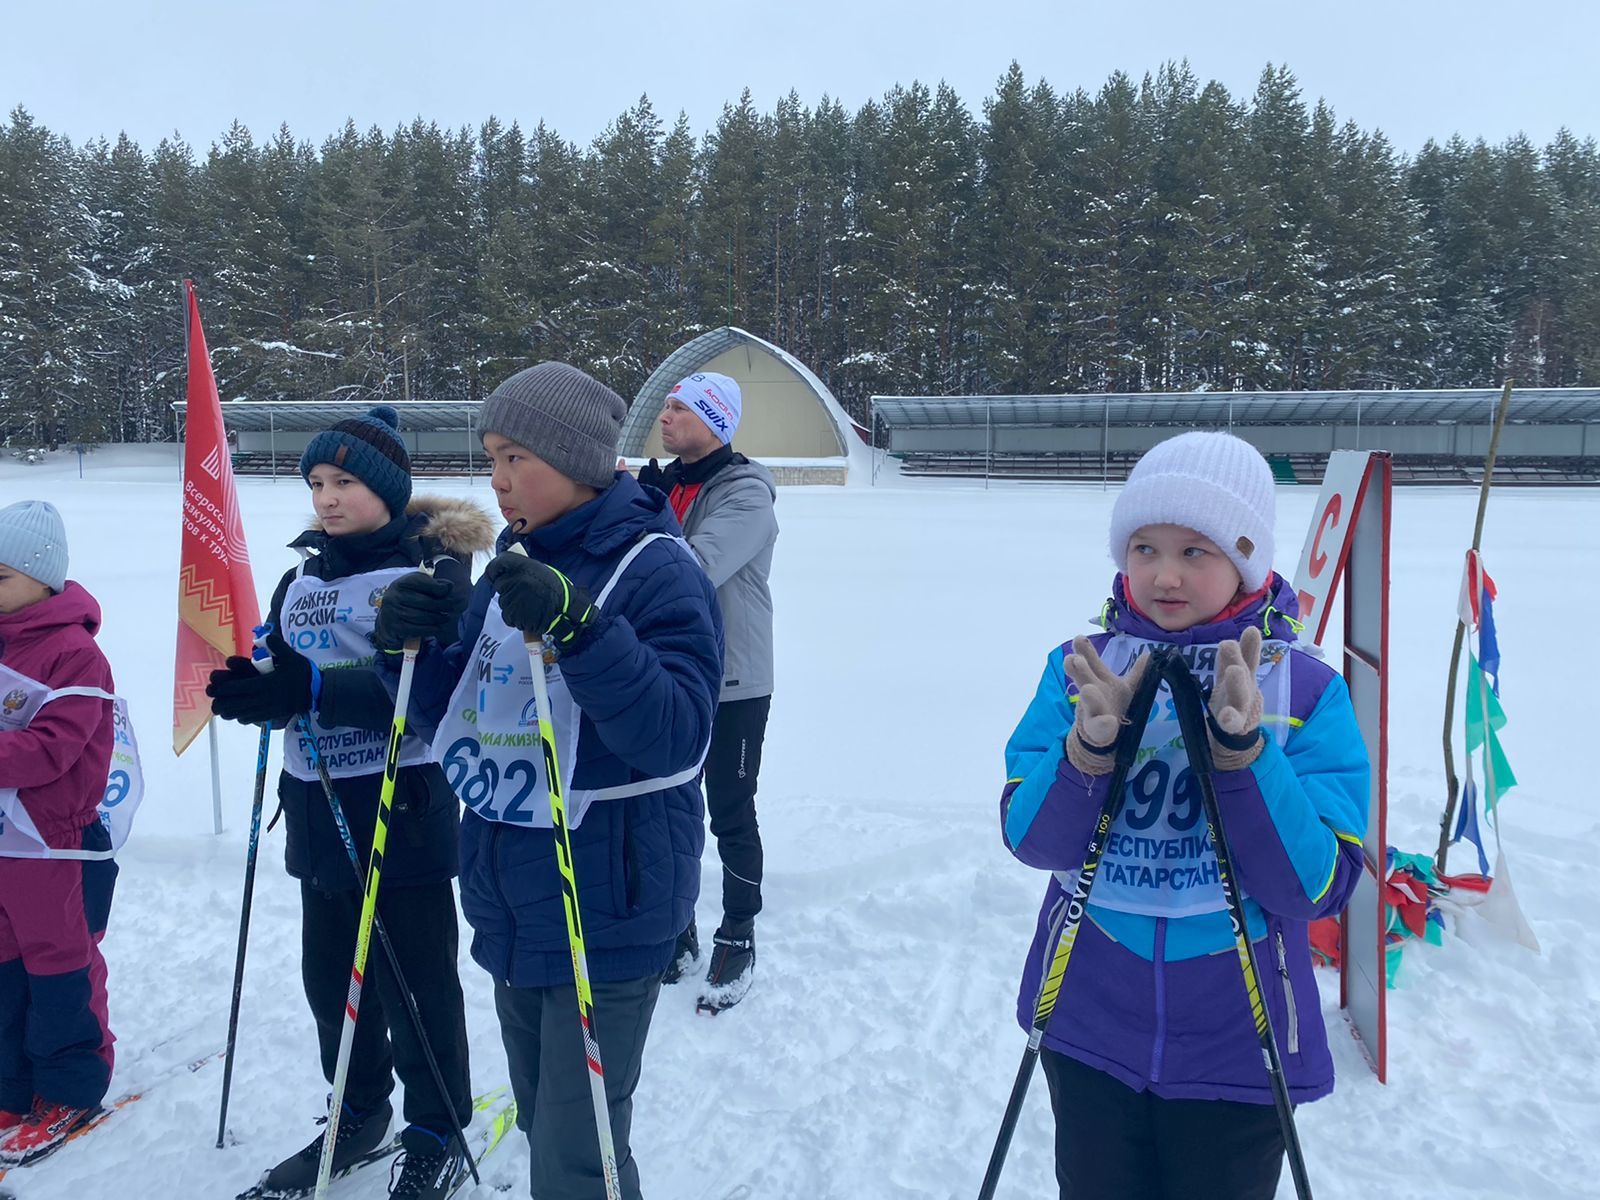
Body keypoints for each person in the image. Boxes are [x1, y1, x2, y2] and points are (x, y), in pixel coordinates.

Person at [376, 362, 721, 1200]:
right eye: (489, 458)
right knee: (544, 1123)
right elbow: (457, 717)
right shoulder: (518, 562)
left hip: (606, 898)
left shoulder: (657, 565)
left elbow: (677, 734)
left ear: (577, 461)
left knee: (579, 1151)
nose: (494, 480)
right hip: (513, 896)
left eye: (514, 458)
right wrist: (406, 651)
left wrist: (580, 627)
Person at [998, 431, 1369, 1199]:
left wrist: (1246, 757)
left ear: (1245, 560)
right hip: (1090, 1024)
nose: (1163, 574)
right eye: (1143, 546)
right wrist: (1084, 755)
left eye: (1195, 550)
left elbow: (1317, 886)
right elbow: (1030, 839)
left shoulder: (1302, 690)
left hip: (1239, 1047)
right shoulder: (1084, 669)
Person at [207, 406, 493, 1199]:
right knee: (332, 977)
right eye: (316, 483)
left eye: (344, 483)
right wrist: (260, 690)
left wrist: (314, 690)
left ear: (390, 490)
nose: (326, 498)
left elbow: (429, 690)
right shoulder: (300, 575)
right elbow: (281, 661)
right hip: (313, 800)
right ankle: (360, 1110)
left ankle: (435, 1128)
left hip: (402, 800)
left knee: (416, 980)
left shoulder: (431, 569)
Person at [636, 372, 777, 1012]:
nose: (665, 416)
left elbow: (691, 565)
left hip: (735, 681)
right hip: (672, 671)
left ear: (715, 421)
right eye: (664, 405)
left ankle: (739, 931)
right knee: (670, 807)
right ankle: (680, 929)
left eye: (679, 407)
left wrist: (637, 512)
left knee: (730, 807)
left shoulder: (746, 494)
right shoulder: (664, 485)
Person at [0, 501, 119, 1163]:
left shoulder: (73, 653)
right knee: (5, 971)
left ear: (43, 578)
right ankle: (14, 1088)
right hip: (5, 845)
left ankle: (70, 1088)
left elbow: (52, 750)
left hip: (57, 846)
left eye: (1, 578)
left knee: (60, 970)